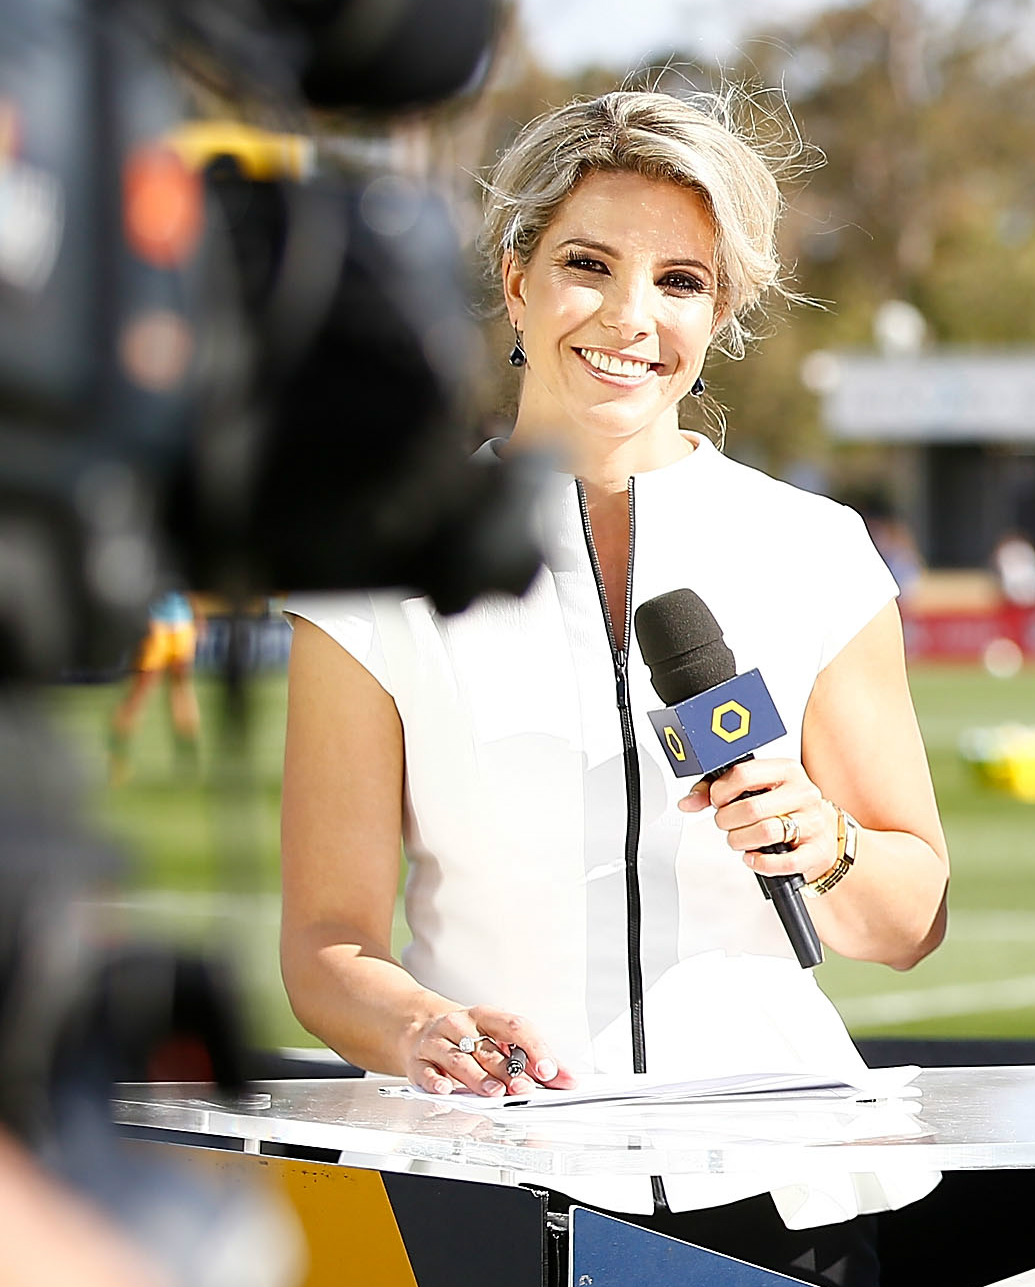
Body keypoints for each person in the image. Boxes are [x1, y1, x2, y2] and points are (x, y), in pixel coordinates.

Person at [279, 90, 949, 1285]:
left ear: (722, 309)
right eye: (588, 264)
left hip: (786, 1191)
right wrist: (419, 1026)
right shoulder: (370, 563)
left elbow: (911, 919)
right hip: (488, 1182)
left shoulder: (816, 547)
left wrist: (828, 838)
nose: (631, 317)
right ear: (515, 277)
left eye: (681, 281)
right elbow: (327, 941)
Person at [107, 591, 202, 786]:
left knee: (181, 689)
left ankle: (186, 760)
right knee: (141, 692)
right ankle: (117, 757)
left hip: (182, 622)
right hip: (156, 623)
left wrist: (197, 614)